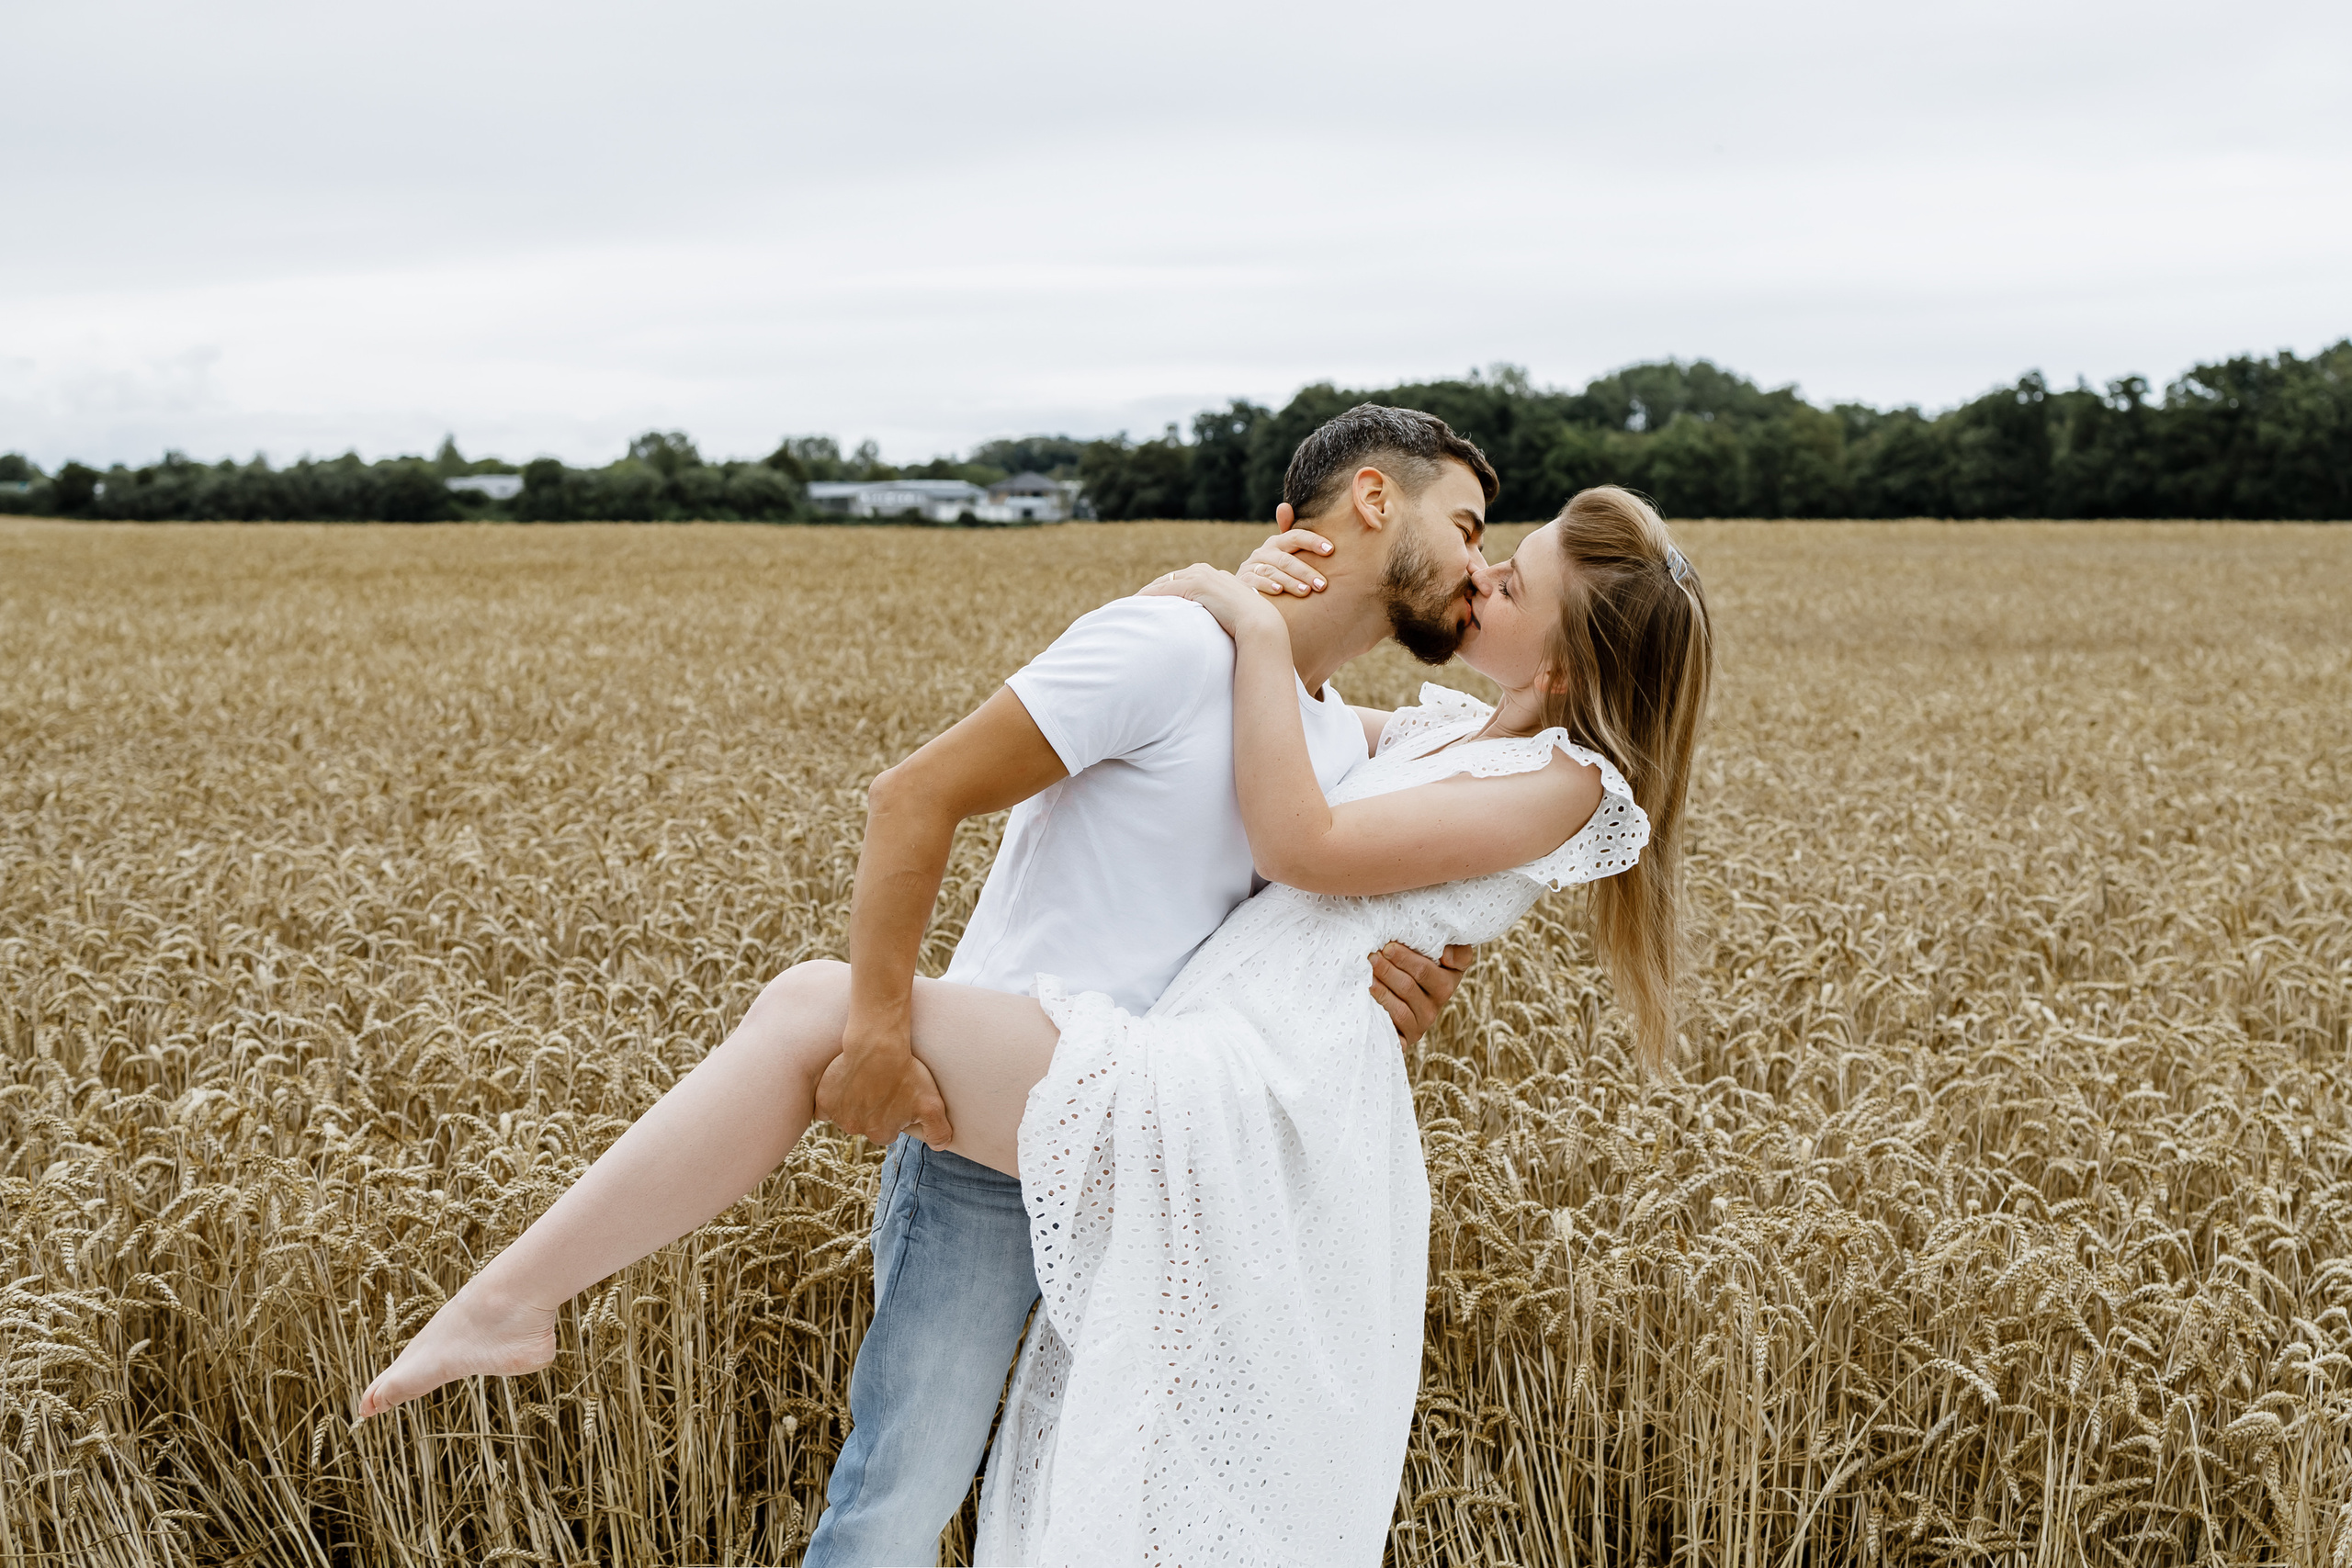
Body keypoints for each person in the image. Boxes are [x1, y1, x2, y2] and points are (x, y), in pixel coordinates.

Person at [361, 466, 1713, 1563]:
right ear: (1371, 501)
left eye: (1513, 572)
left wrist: (1244, 627)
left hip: (1229, 1102)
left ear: (1580, 654)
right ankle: (511, 1301)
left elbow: (1304, 853)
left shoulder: (1568, 785)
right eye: (1484, 538)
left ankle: (512, 1300)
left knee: (806, 1011)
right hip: (1127, 1087)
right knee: (986, 1487)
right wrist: (1244, 615)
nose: (1485, 574)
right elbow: (1334, 837)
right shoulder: (1400, 728)